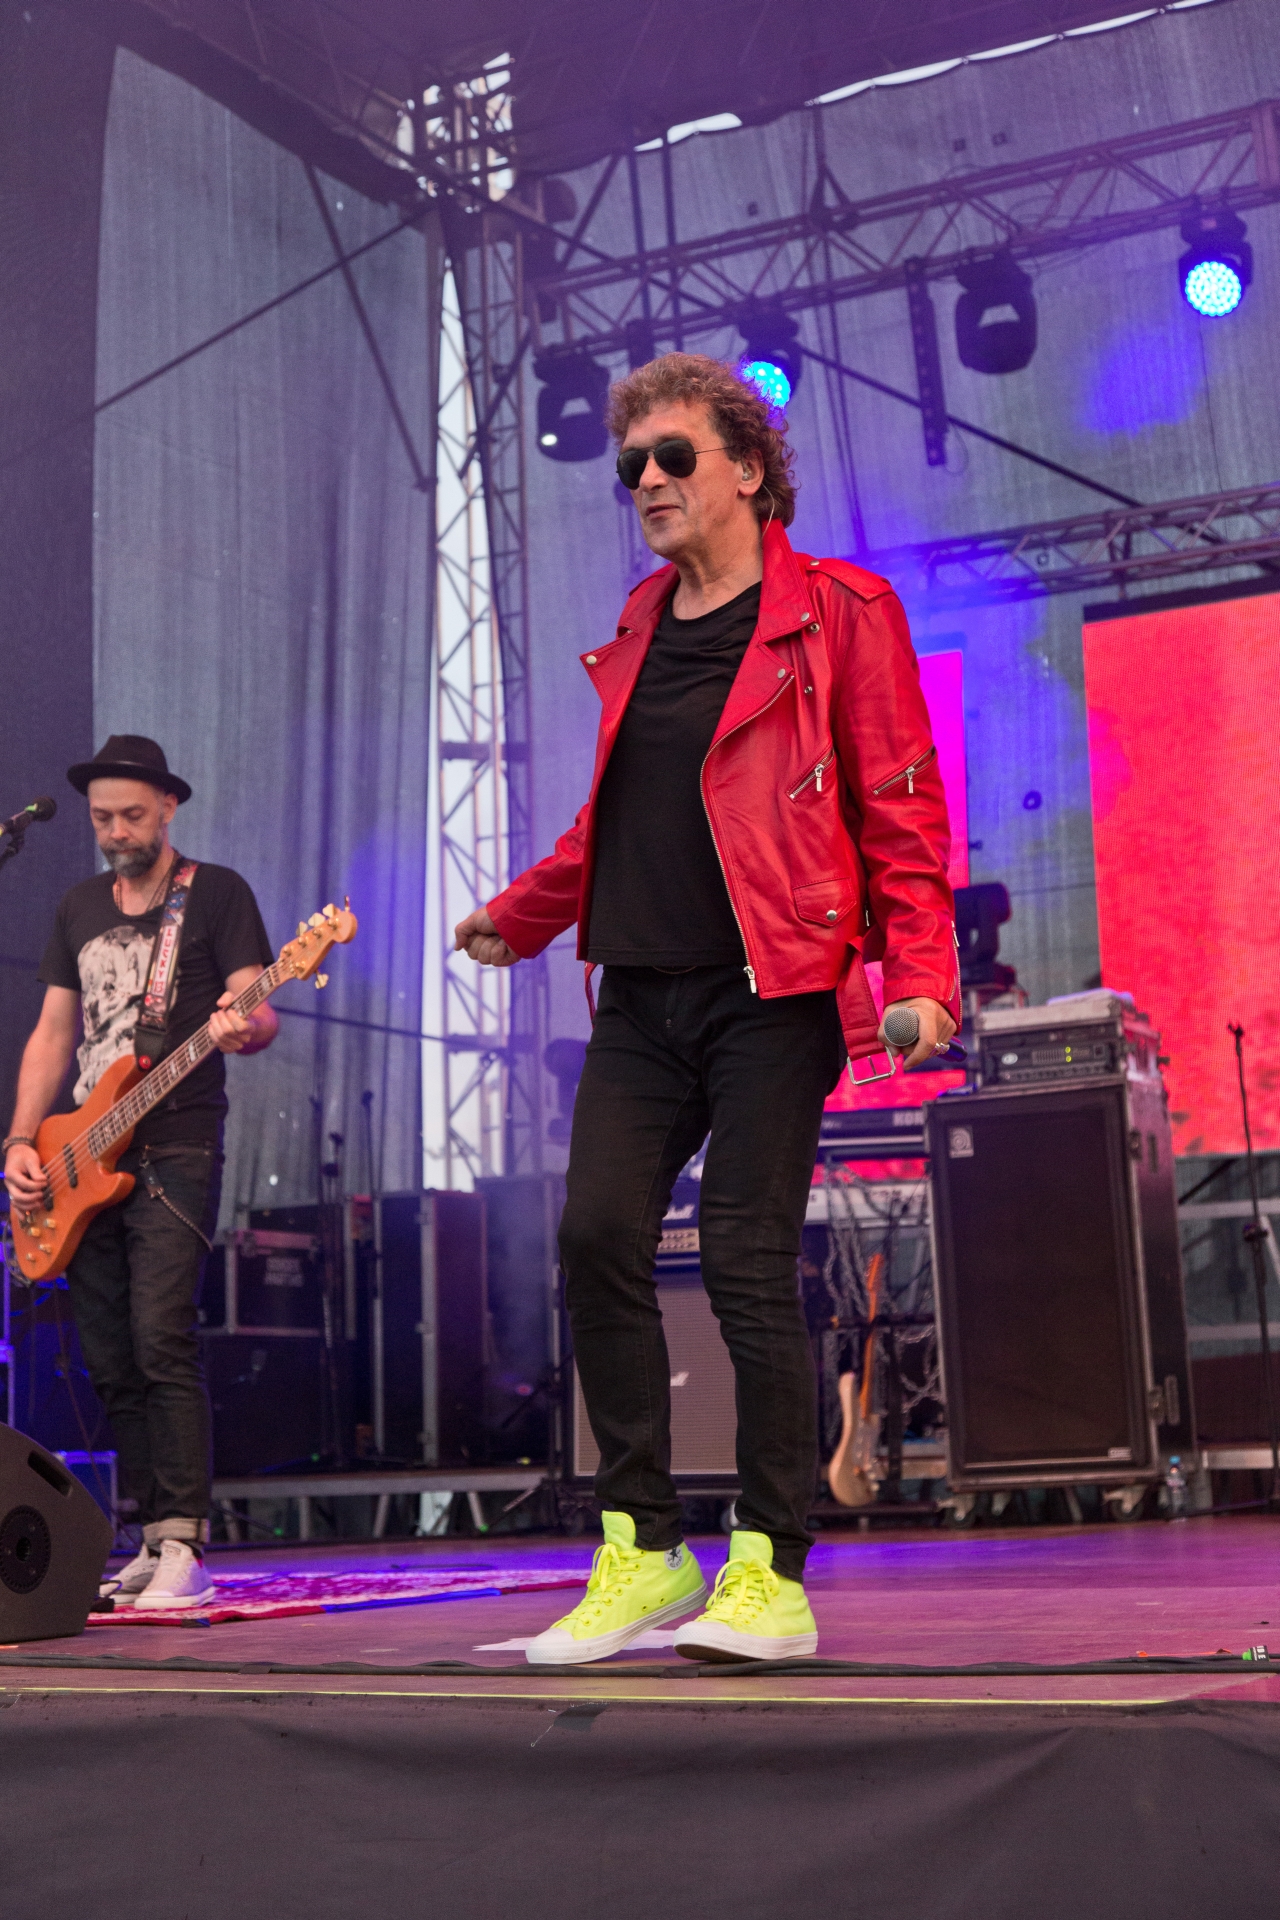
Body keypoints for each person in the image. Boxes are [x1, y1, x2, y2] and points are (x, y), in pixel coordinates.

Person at [456, 354, 958, 1665]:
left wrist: (921, 975)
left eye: (673, 456)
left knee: (743, 1256)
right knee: (595, 1237)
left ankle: (770, 1571)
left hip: (771, 988)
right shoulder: (639, 623)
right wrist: (524, 913)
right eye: (631, 464)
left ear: (746, 467)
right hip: (639, 992)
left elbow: (900, 805)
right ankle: (641, 1548)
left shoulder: (839, 610)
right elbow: (618, 818)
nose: (647, 481)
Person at [3, 736, 278, 1610]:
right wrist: (20, 1142)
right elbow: (54, 1035)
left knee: (162, 1337)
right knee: (110, 1355)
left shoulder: (216, 893)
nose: (116, 831)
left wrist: (243, 1025)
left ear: (167, 808)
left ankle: (187, 1540)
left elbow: (258, 1009)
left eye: (131, 815)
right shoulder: (79, 906)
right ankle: (151, 1534)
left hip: (174, 1145)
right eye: (101, 819)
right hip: (80, 1154)